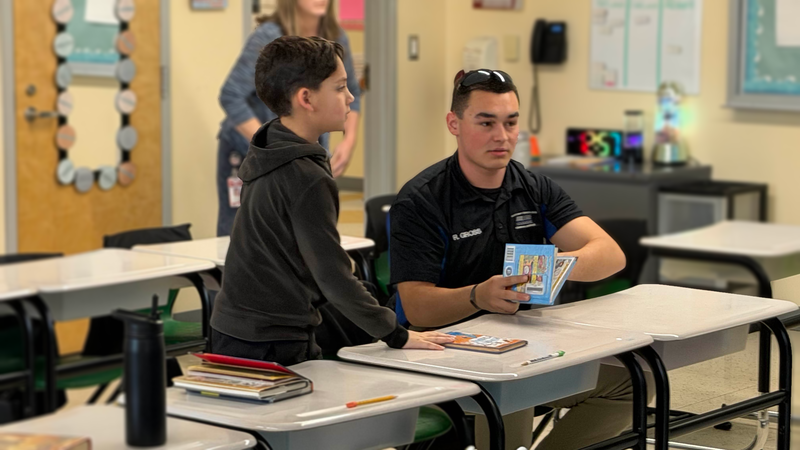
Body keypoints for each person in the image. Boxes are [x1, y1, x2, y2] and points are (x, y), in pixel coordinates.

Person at [389, 69, 652, 450]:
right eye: (486, 122)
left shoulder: (531, 187)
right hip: (444, 350)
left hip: (522, 344)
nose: (502, 136)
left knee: (633, 380)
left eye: (511, 122)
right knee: (513, 390)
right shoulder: (422, 201)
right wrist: (478, 296)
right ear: (454, 124)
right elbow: (416, 308)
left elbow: (610, 255)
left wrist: (552, 266)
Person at [210, 36, 453, 367]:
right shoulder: (307, 177)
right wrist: (397, 334)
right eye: (340, 88)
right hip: (270, 339)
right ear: (306, 98)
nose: (351, 97)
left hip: (232, 329)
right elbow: (332, 277)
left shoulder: (269, 147)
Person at [216, 0, 361, 237]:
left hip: (301, 148)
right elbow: (231, 95)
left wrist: (349, 139)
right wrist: (272, 146)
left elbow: (352, 88)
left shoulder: (335, 36)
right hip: (249, 146)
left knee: (301, 228)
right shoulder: (268, 36)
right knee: (241, 231)